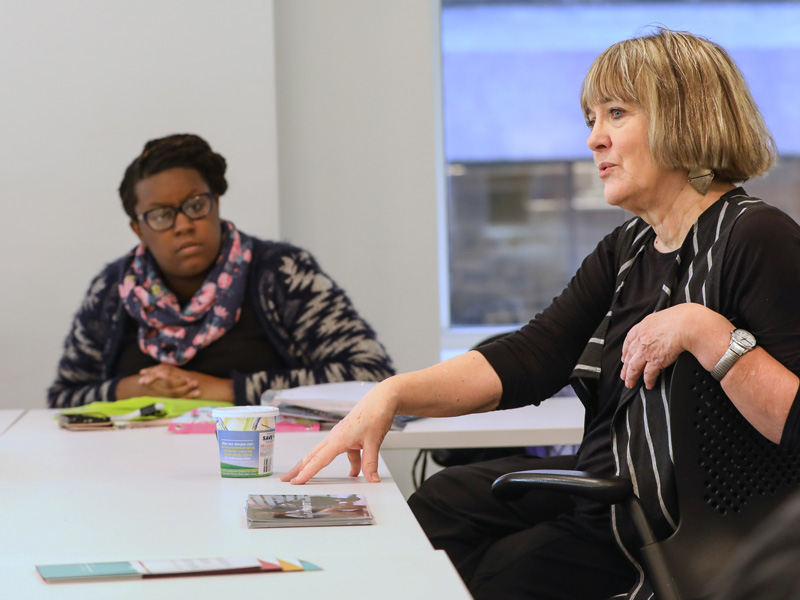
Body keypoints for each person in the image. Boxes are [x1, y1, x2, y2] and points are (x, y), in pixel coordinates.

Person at [281, 28, 800, 600]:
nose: (594, 140)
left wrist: (706, 331)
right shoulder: (628, 246)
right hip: (609, 498)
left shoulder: (757, 236)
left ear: (685, 117)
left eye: (616, 114)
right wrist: (392, 395)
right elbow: (534, 354)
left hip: (682, 528)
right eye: (590, 120)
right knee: (439, 504)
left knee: (504, 574)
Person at [49, 134, 394, 408]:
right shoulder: (113, 289)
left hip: (275, 466)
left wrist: (231, 390)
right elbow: (62, 397)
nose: (183, 224)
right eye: (160, 215)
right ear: (138, 229)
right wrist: (131, 389)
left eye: (196, 205)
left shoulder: (282, 272)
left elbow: (371, 376)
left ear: (216, 202)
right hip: (131, 470)